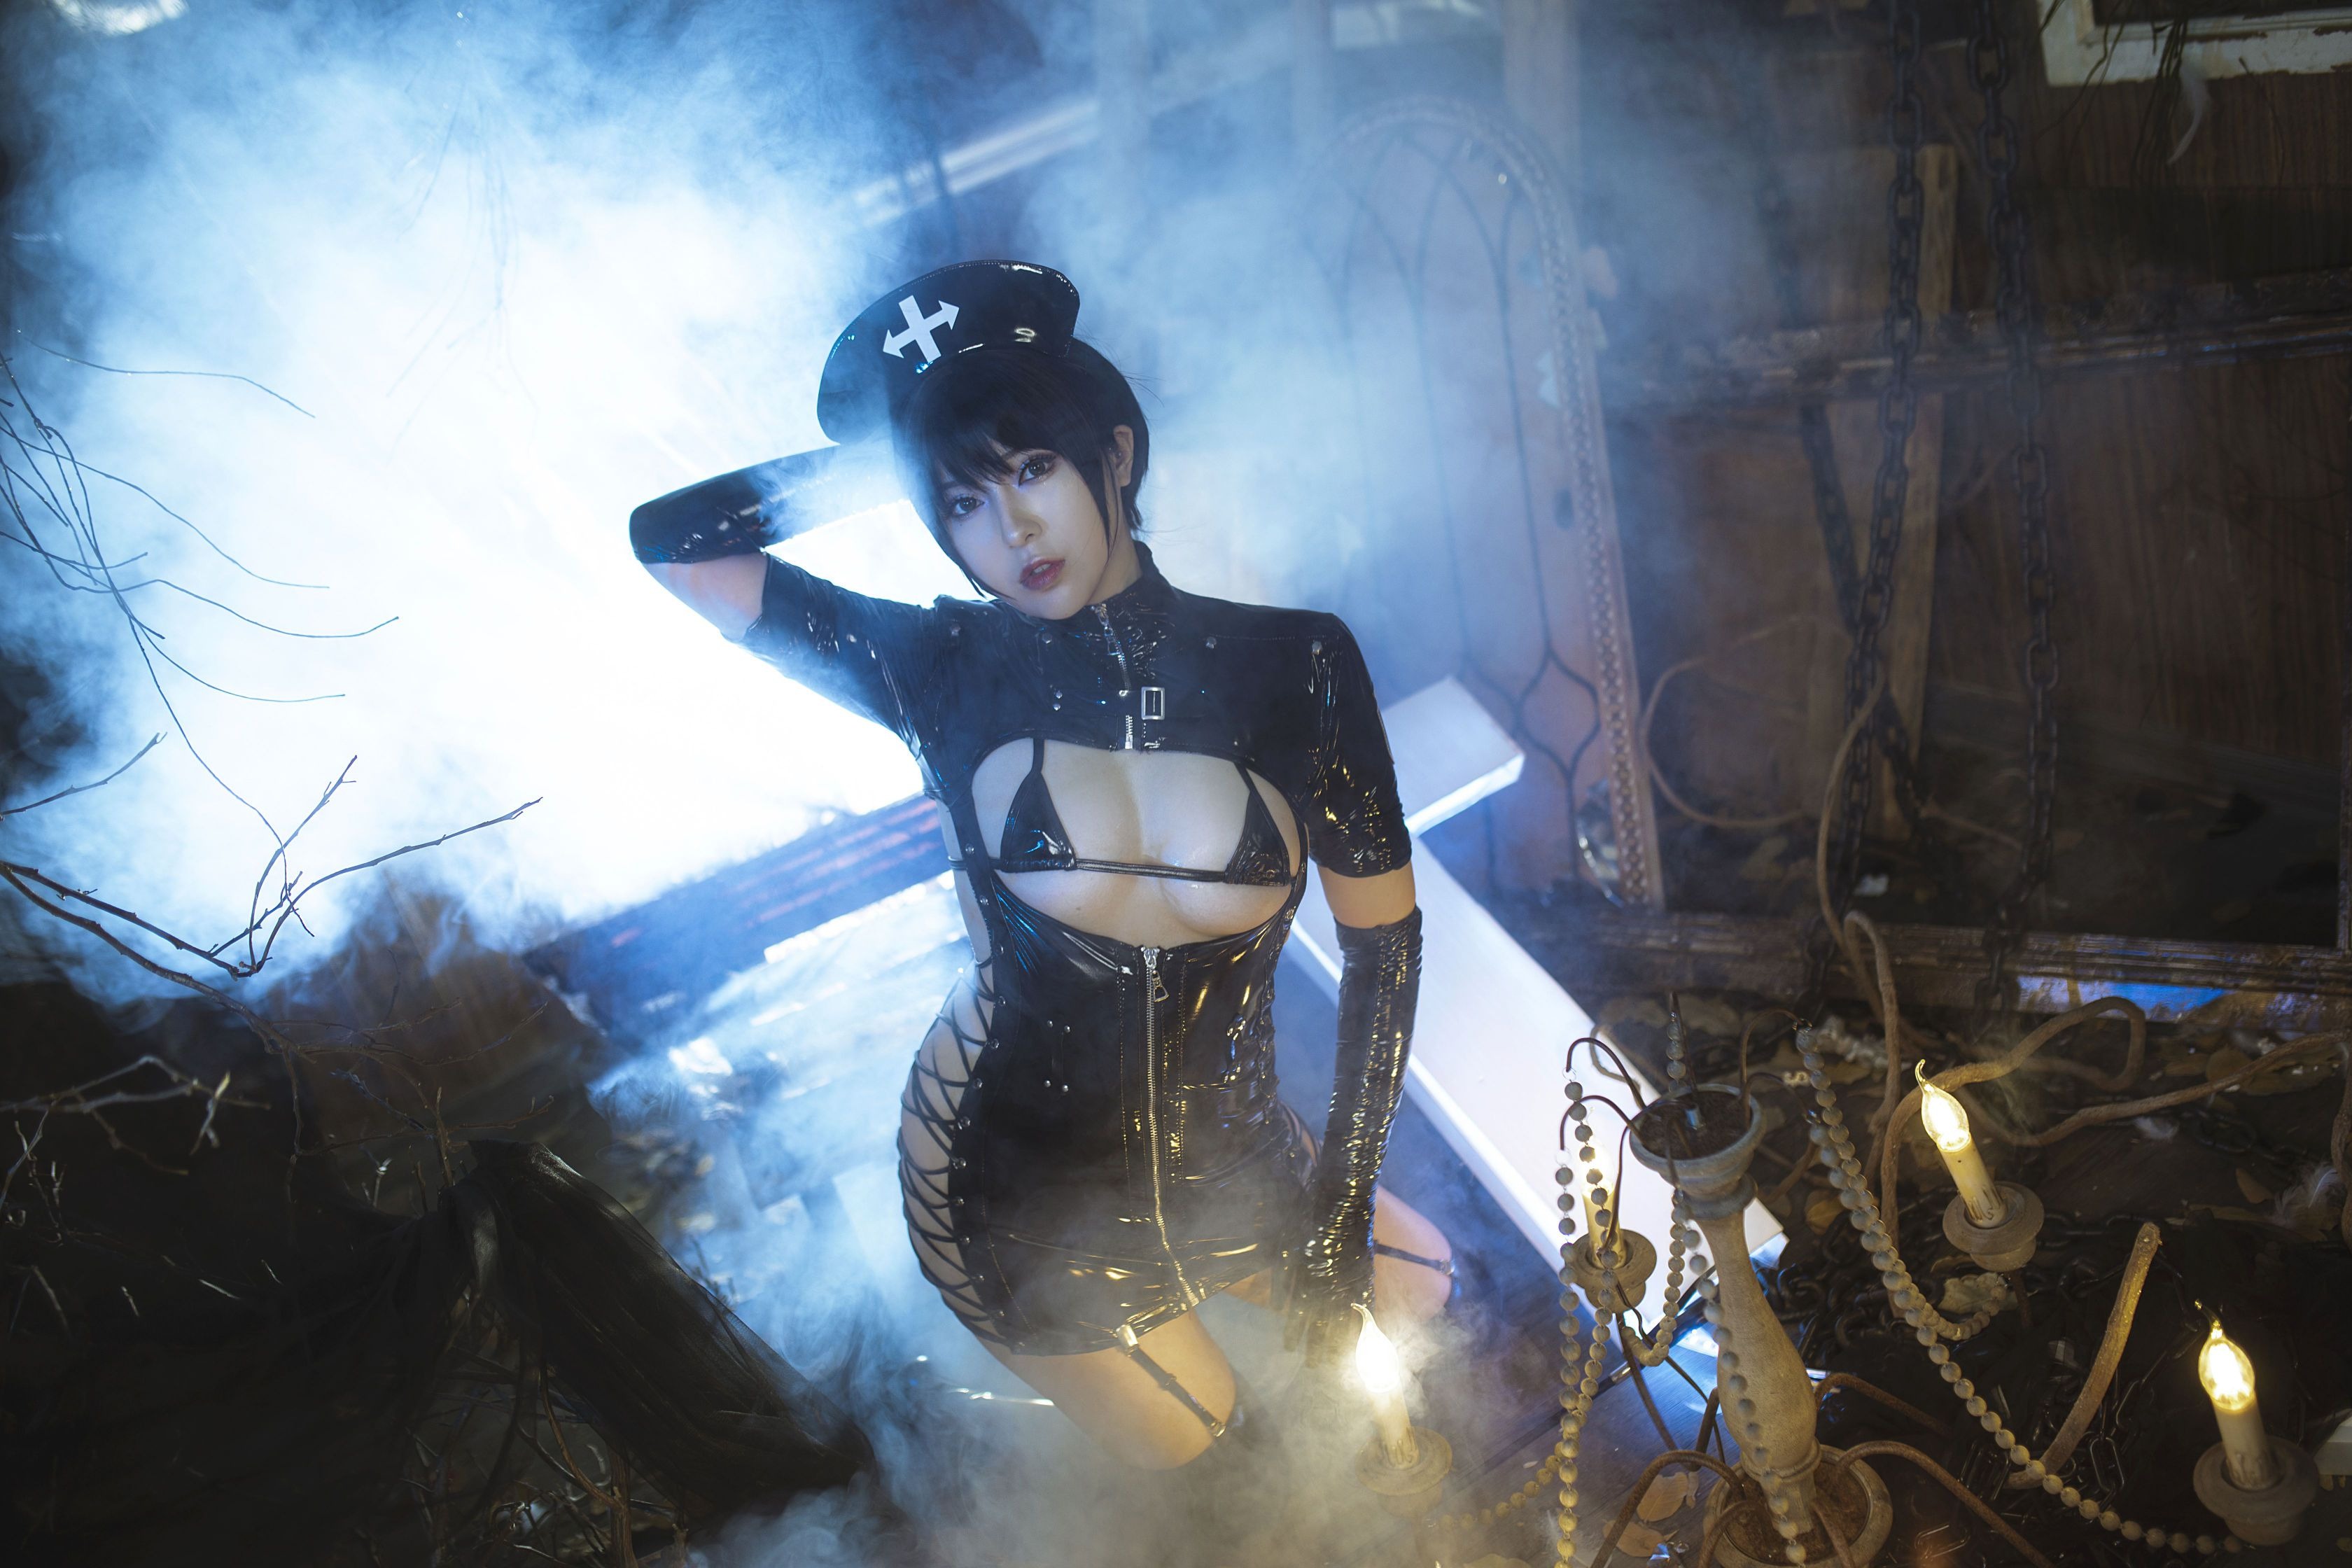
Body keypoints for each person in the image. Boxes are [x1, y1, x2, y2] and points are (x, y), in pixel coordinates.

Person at [630, 261, 1452, 1490]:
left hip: (1239, 1157)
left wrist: (1339, 1206)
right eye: (962, 502)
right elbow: (675, 547)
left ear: (1113, 454)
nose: (1010, 532)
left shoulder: (1296, 666)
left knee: (1419, 1291)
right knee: (1235, 1464)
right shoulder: (936, 666)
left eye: (1031, 470)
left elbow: (1386, 948)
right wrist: (901, 449)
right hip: (1025, 1186)